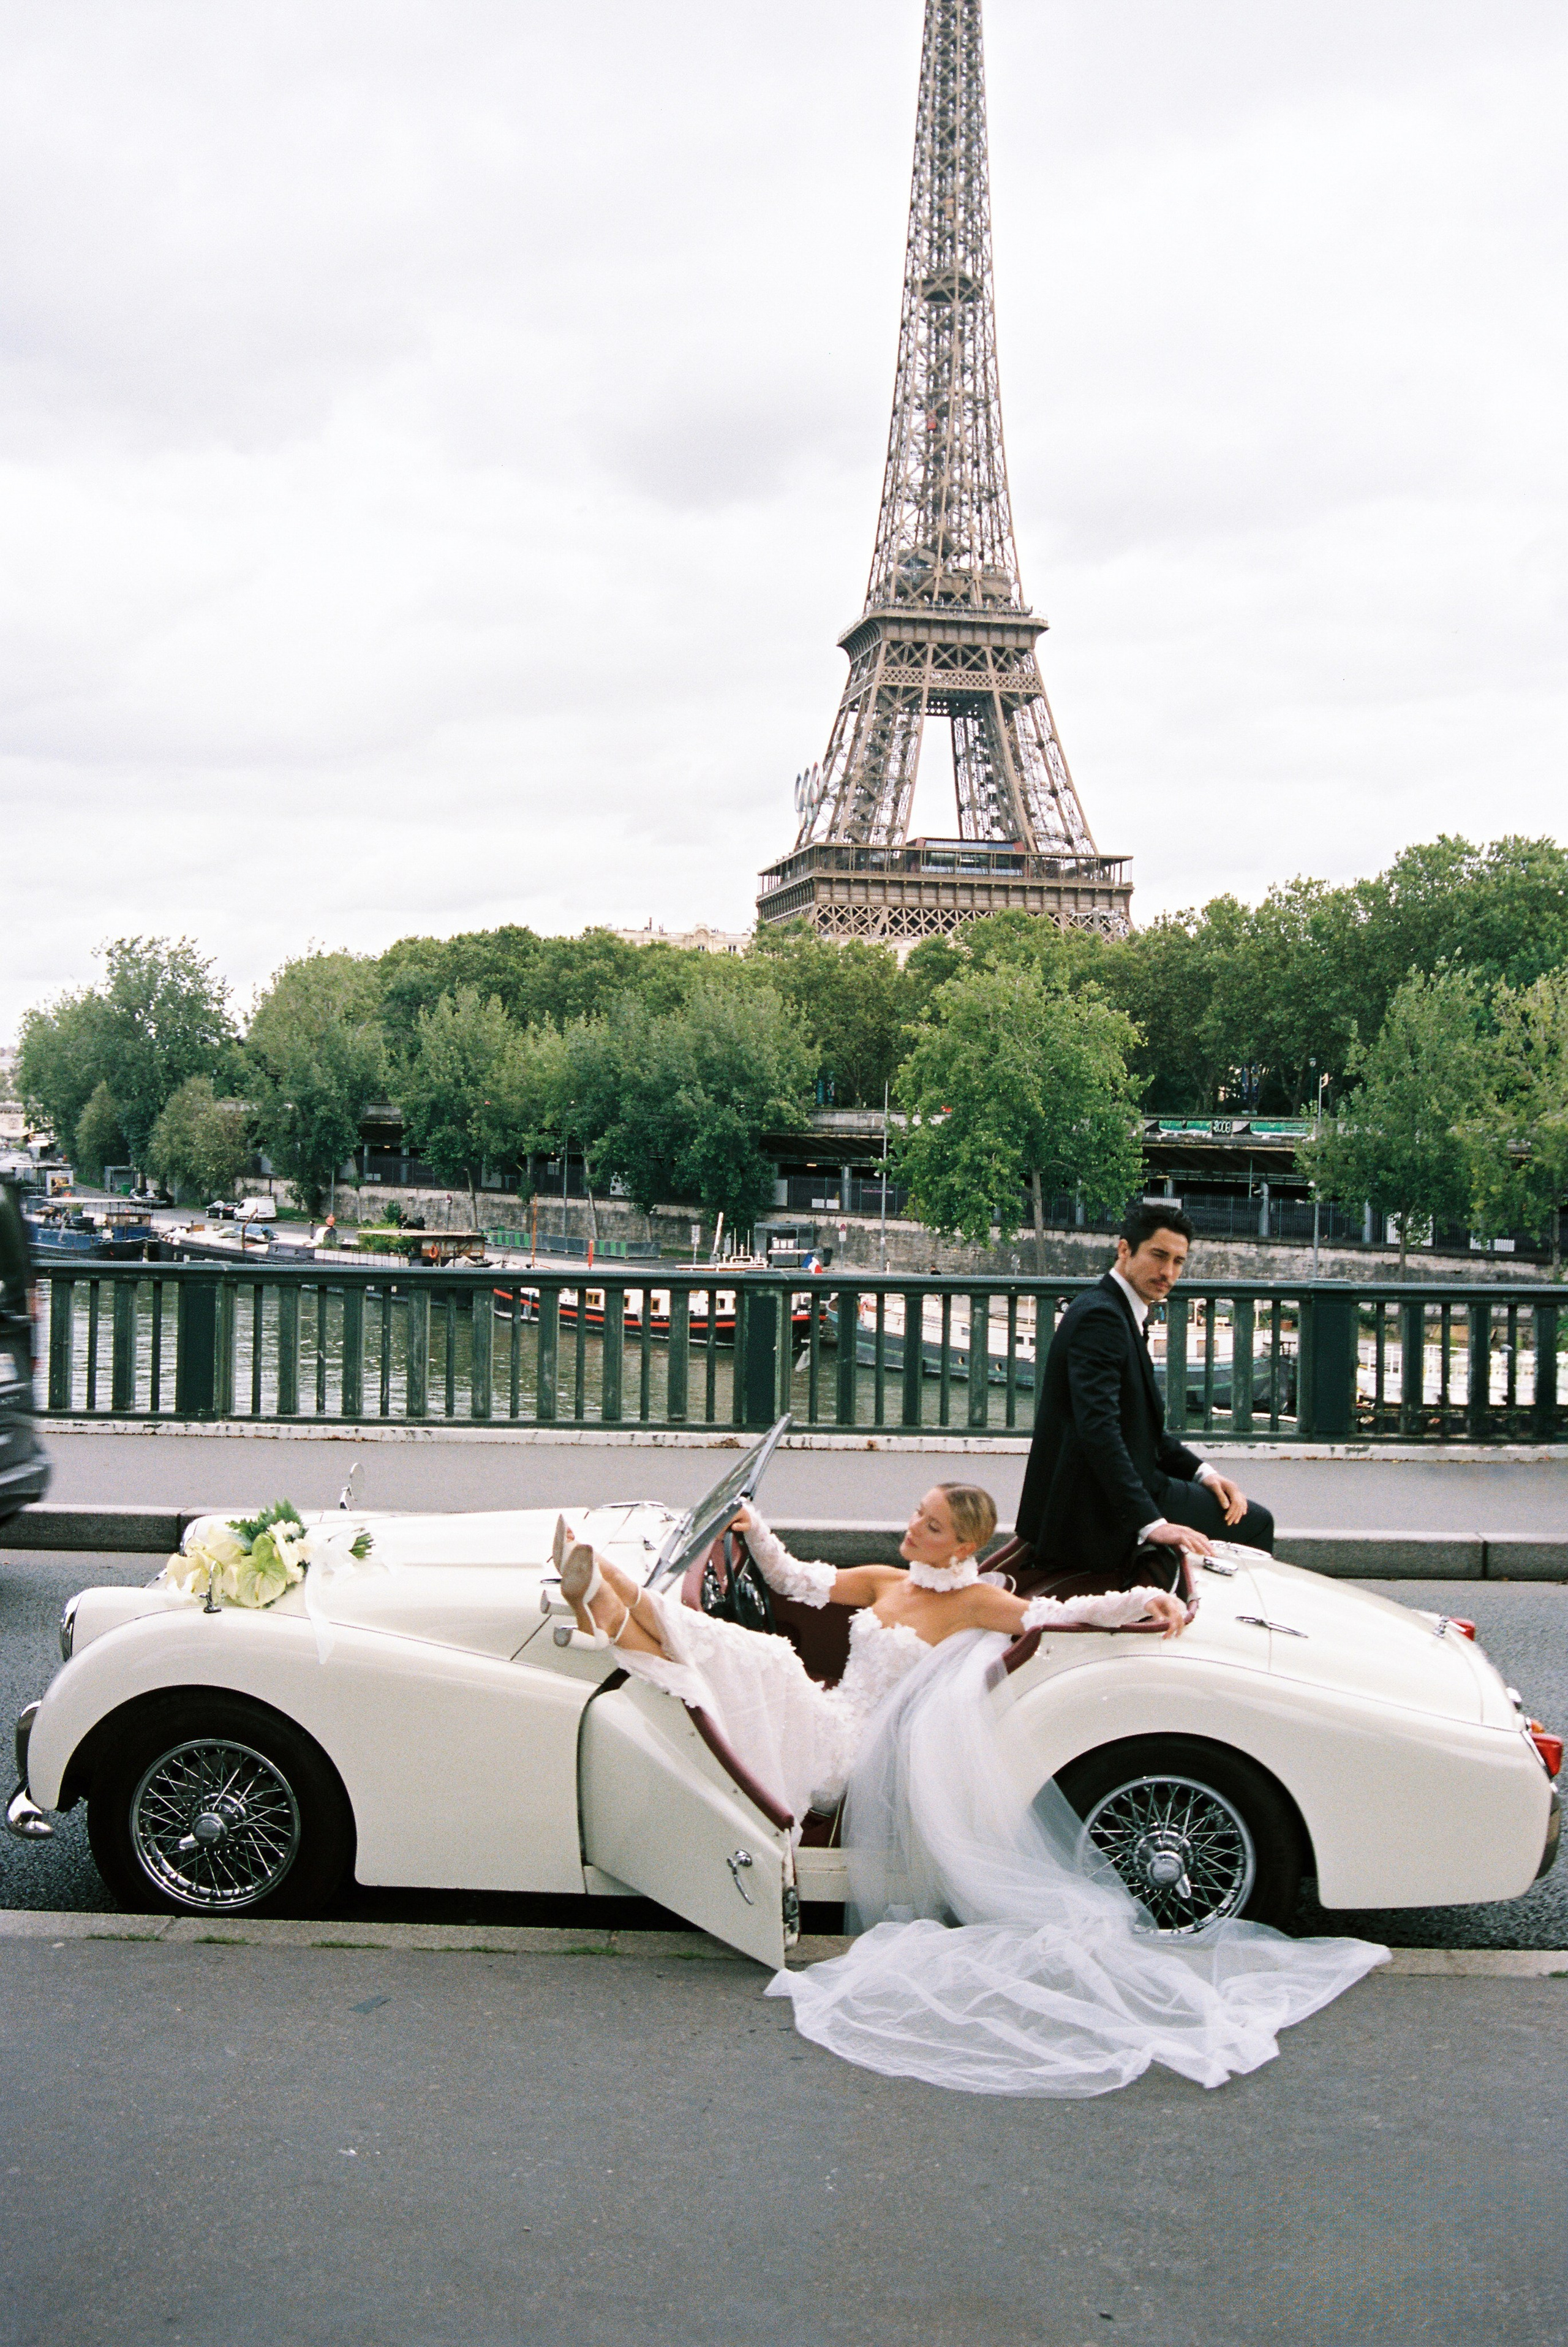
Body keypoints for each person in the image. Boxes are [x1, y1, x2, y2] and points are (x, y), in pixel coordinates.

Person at [555, 1483, 1382, 2098]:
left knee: (762, 1660)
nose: (912, 1526)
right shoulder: (887, 1579)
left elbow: (1065, 1612)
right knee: (753, 1652)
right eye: (918, 1515)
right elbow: (801, 1583)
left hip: (852, 1747)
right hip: (830, 1710)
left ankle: (611, 1600)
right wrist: (754, 1527)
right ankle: (608, 1597)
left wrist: (1147, 1597)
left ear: (960, 1547)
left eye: (931, 1524)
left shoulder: (974, 1600)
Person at [1013, 1202, 1275, 1585]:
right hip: (1097, 1507)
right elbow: (1098, 1430)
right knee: (1257, 1523)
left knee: (1232, 1508)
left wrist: (1205, 1473)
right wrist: (1151, 1523)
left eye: (1178, 1262)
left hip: (1118, 1488)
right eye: (1158, 1256)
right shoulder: (1102, 1318)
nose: (1168, 1272)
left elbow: (1142, 1430)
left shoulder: (1114, 1310)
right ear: (1124, 1250)